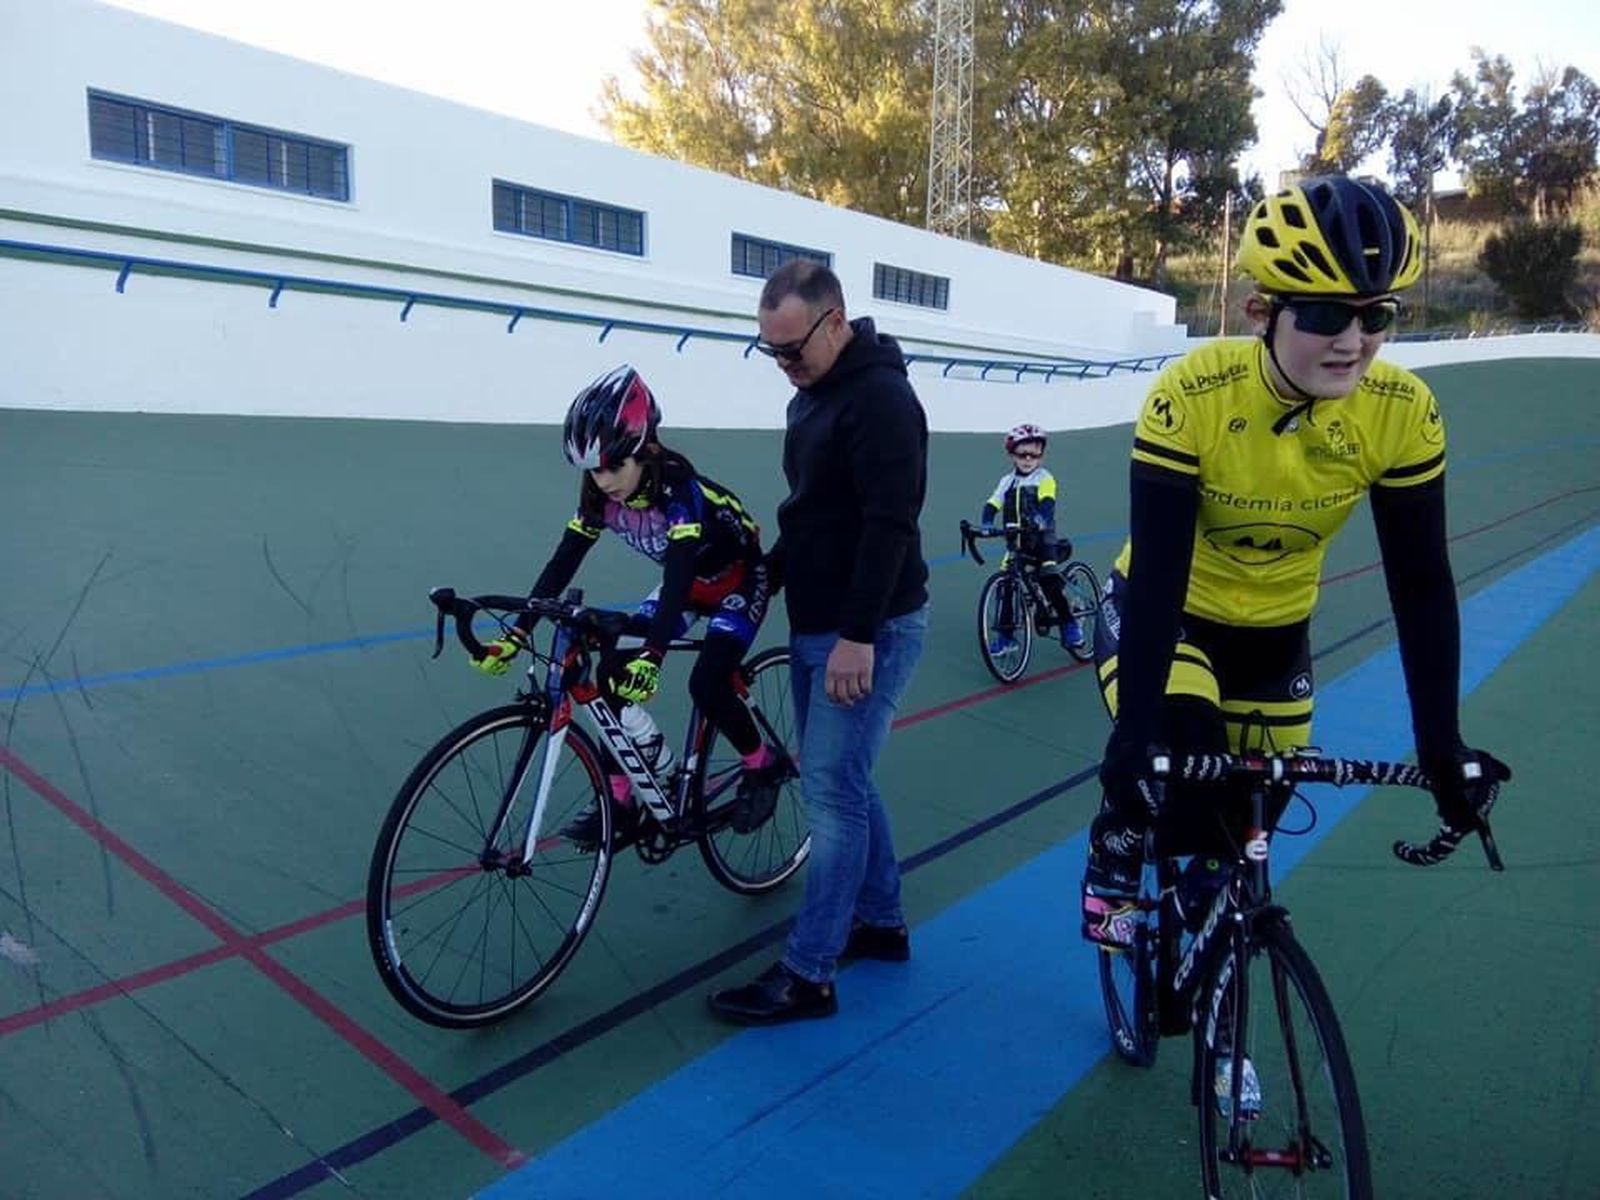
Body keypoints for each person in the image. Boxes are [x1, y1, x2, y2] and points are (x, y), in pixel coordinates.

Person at [1081, 177, 1512, 966]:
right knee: (1180, 772)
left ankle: (1217, 1003)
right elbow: (1164, 573)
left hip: (1276, 638)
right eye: (1321, 315)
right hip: (1168, 614)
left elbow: (1420, 585)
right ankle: (1120, 836)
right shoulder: (1193, 395)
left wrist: (1440, 744)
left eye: (1375, 315)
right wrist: (1134, 737)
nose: (1352, 341)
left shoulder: (1403, 411)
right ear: (1260, 313)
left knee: (1238, 849)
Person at [708, 260, 930, 1025]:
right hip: (817, 621)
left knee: (831, 794)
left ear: (836, 322)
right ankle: (882, 922)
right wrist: (758, 577)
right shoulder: (814, 397)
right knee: (849, 781)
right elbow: (811, 514)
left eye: (794, 348)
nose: (784, 365)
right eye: (770, 351)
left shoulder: (882, 399)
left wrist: (858, 637)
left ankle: (810, 972)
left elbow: (889, 524)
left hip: (867, 628)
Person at [472, 364, 785, 847]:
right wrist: (517, 634)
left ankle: (761, 766)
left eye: (613, 466)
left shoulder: (679, 488)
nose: (603, 481)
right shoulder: (599, 497)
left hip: (738, 581)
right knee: (610, 674)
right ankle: (623, 800)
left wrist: (655, 655)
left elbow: (679, 572)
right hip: (686, 587)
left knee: (707, 681)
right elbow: (563, 562)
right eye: (593, 470)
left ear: (646, 450)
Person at [978, 422, 1086, 654]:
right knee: (1005, 585)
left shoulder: (1045, 478)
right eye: (1022, 454)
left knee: (1048, 579)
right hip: (1016, 544)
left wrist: (1040, 519)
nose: (1028, 459)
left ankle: (1070, 623)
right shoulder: (1006, 482)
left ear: (1041, 456)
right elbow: (992, 504)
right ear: (1012, 455)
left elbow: (1047, 503)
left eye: (1035, 454)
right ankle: (1007, 637)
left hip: (1042, 543)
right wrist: (986, 523)